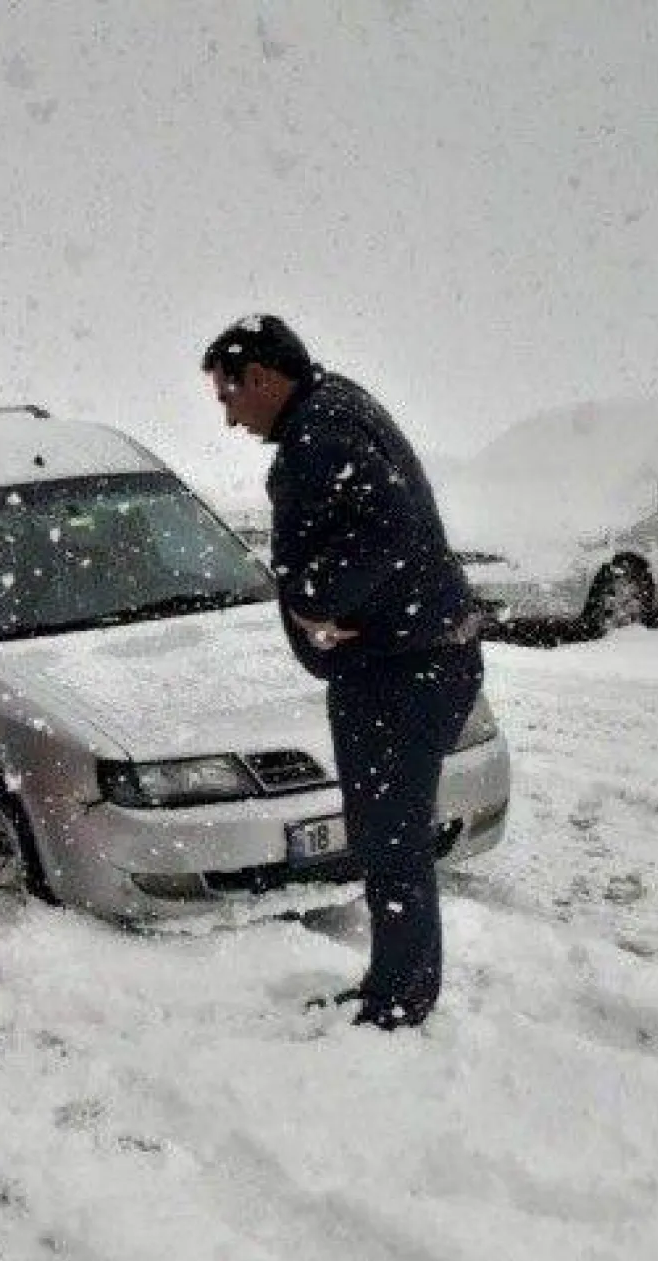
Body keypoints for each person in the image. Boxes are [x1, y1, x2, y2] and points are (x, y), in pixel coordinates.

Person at [201, 314, 484, 1031]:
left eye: (229, 396)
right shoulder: (332, 410)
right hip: (412, 662)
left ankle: (401, 1003)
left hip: (402, 671)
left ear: (262, 378)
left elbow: (389, 525)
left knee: (391, 839)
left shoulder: (322, 432)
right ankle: (394, 984)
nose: (229, 418)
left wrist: (315, 604)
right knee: (386, 834)